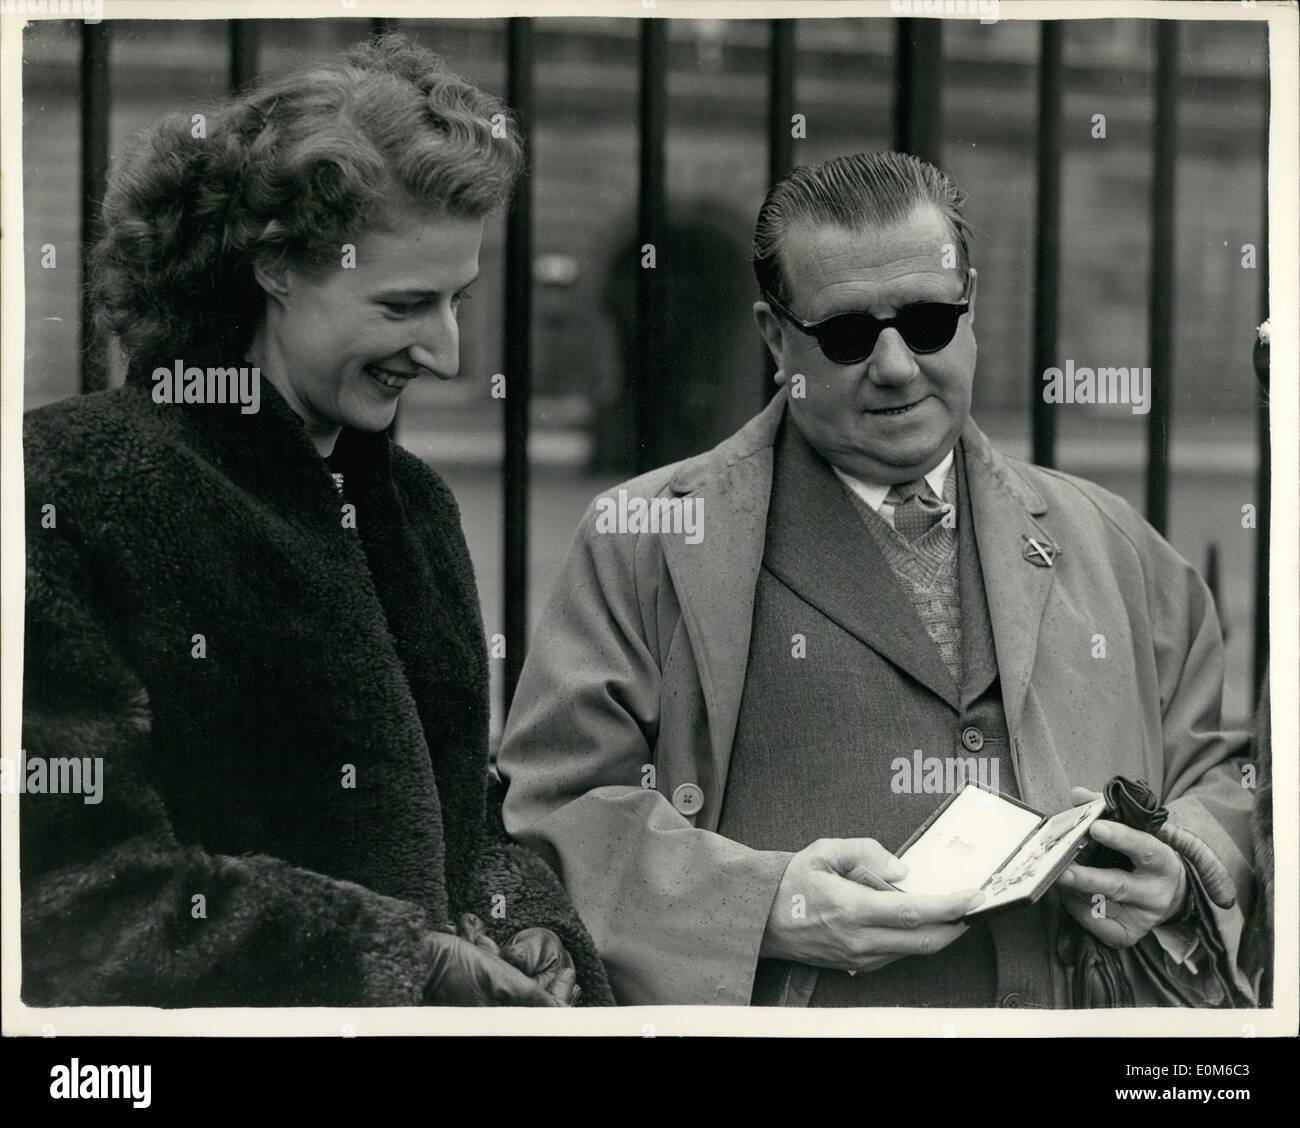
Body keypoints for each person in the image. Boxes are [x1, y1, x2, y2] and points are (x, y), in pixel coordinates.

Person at [497, 152, 1257, 1008]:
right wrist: (768, 905)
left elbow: (1229, 781)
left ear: (973, 312)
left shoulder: (1115, 544)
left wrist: (1183, 859)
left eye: (929, 322)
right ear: (776, 336)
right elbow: (557, 811)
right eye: (849, 335)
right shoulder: (646, 541)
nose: (894, 365)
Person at [20, 33, 611, 1007]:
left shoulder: (413, 508)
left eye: (458, 301)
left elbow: (466, 816)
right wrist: (391, 960)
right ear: (276, 266)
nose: (449, 354)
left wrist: (520, 917)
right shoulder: (70, 489)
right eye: (404, 305)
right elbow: (69, 893)